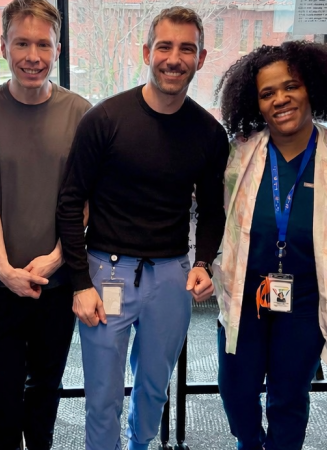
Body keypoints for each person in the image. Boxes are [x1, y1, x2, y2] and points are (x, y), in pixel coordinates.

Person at [56, 7, 228, 449]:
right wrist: (78, 282)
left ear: (201, 57)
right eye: (165, 47)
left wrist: (204, 262)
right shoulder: (105, 120)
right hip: (104, 273)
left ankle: (140, 445)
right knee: (102, 396)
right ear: (146, 52)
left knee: (154, 387)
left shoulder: (208, 133)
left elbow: (213, 209)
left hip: (171, 276)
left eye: (186, 48)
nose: (174, 58)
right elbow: (71, 201)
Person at [213, 41, 327, 450]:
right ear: (256, 102)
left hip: (306, 298)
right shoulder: (238, 154)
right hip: (244, 293)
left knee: (289, 396)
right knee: (235, 390)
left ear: (313, 89)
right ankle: (250, 444)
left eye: (291, 87)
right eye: (267, 93)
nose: (280, 99)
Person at [0, 0, 92, 448]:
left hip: (56, 283)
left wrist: (56, 260)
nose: (32, 55)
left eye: (43, 44)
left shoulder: (80, 113)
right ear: (3, 46)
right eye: (22, 43)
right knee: (2, 389)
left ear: (57, 49)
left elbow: (83, 201)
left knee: (46, 388)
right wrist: (3, 269)